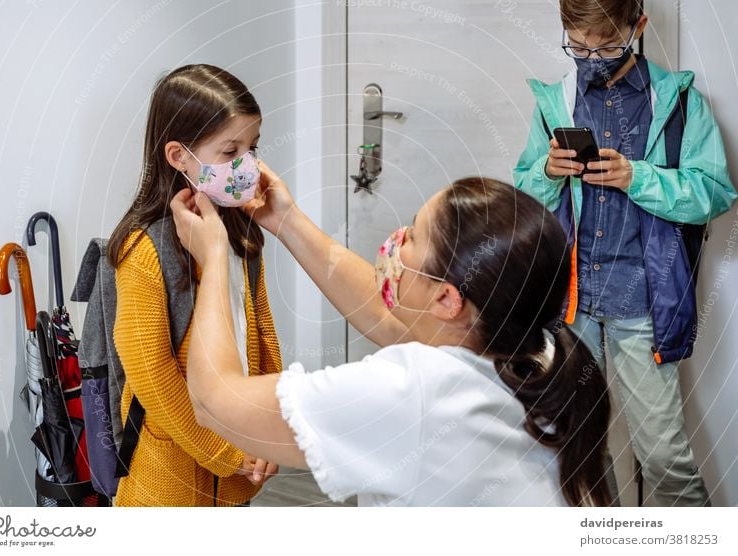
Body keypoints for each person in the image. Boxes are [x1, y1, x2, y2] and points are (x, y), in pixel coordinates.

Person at [171, 172, 613, 506]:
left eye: (414, 236)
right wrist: (284, 220)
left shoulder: (419, 393)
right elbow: (389, 318)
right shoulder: (538, 350)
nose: (396, 241)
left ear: (446, 298)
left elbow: (216, 402)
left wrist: (213, 258)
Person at [513, 0, 736, 506]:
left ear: (638, 26)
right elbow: (525, 191)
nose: (591, 58)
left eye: (607, 44)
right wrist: (548, 172)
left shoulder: (680, 103)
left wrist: (639, 177)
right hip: (571, 299)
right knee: (573, 443)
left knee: (661, 454)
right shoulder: (556, 101)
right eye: (578, 44)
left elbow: (715, 193)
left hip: (643, 301)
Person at [108, 64, 281, 506]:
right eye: (230, 151)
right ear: (179, 157)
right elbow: (153, 378)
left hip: (240, 464)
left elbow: (262, 339)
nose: (247, 164)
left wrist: (271, 430)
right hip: (170, 481)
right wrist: (226, 452)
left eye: (252, 147)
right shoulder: (144, 250)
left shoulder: (242, 234)